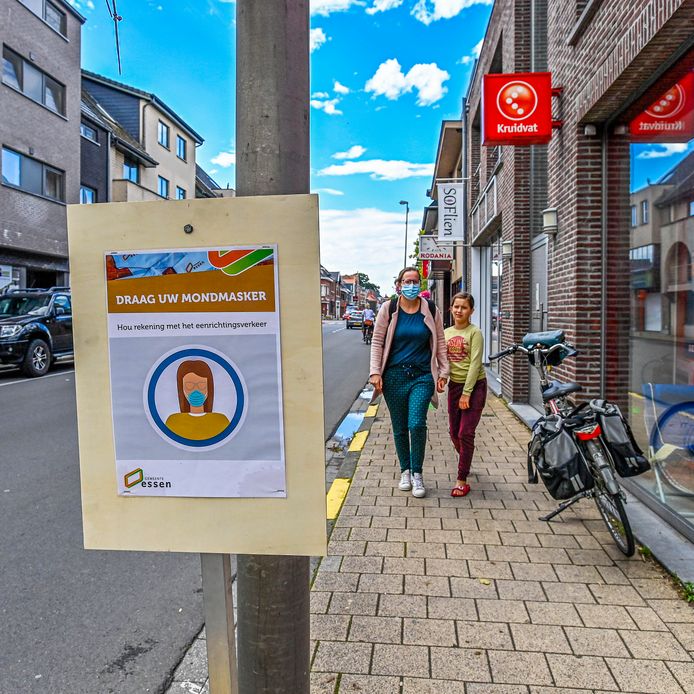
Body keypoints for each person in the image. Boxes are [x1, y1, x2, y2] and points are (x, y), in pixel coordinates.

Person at [369, 267, 449, 498]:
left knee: (416, 424)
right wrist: (375, 372)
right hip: (394, 377)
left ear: (420, 284)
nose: (411, 285)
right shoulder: (389, 308)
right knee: (400, 427)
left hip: (422, 376)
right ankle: (405, 471)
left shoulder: (431, 309)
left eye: (415, 281)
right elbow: (377, 341)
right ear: (399, 284)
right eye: (407, 281)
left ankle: (417, 473)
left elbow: (440, 341)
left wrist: (443, 372)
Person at [445, 292, 487, 497]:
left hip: (475, 387)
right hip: (454, 387)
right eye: (456, 306)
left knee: (465, 433)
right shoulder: (446, 333)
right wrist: (442, 377)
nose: (459, 310)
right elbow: (443, 361)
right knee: (454, 433)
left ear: (471, 311)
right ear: (451, 309)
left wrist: (467, 393)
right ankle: (466, 459)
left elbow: (475, 364)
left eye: (464, 307)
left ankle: (461, 479)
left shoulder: (475, 333)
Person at [165, 360, 230, 440]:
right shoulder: (172, 422)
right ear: (182, 388)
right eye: (189, 385)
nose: (196, 390)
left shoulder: (222, 421)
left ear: (209, 387)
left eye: (201, 385)